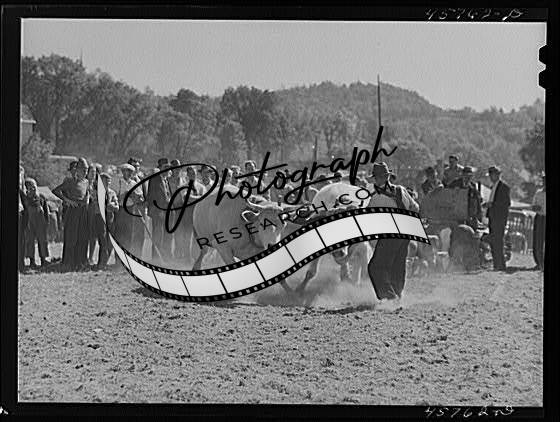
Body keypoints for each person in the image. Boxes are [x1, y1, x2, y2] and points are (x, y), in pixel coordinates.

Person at [367, 162, 419, 302]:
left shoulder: (376, 197)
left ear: (378, 178)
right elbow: (415, 208)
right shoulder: (401, 190)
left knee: (375, 267)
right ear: (388, 176)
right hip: (405, 234)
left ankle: (389, 297)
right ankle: (398, 295)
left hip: (390, 235)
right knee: (398, 265)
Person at [53, 157, 90, 271]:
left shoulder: (86, 182)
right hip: (73, 211)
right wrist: (68, 201)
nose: (85, 172)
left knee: (82, 237)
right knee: (71, 237)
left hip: (83, 211)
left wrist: (87, 199)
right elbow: (56, 191)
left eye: (86, 170)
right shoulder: (70, 181)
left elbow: (87, 192)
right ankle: (68, 263)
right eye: (83, 169)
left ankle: (80, 262)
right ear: (77, 170)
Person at [114, 163, 145, 256]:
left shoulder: (134, 184)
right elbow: (114, 197)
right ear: (123, 172)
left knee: (129, 234)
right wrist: (125, 194)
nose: (128, 174)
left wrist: (135, 196)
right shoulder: (118, 182)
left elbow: (141, 198)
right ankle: (118, 258)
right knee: (119, 234)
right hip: (120, 210)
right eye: (126, 171)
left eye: (130, 172)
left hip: (131, 210)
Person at [485, 165, 511, 271]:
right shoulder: (494, 186)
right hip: (493, 217)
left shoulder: (504, 187)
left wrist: (492, 204)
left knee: (498, 241)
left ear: (497, 175)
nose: (490, 177)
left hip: (499, 218)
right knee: (494, 241)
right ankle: (496, 264)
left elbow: (506, 203)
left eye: (492, 174)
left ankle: (500, 264)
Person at [147, 162, 172, 263]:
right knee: (158, 236)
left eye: (168, 167)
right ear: (160, 168)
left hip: (167, 212)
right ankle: (156, 259)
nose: (167, 169)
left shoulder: (166, 179)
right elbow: (151, 197)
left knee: (166, 236)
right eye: (165, 167)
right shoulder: (154, 180)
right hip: (158, 212)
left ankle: (164, 258)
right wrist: (159, 210)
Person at [22, 178, 50, 268]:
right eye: (30, 187)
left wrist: (47, 221)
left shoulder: (41, 197)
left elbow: (46, 210)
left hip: (41, 221)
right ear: (26, 189)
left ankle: (43, 260)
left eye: (34, 187)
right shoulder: (25, 198)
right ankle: (32, 261)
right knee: (30, 241)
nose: (33, 189)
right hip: (29, 222)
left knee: (42, 240)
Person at [447, 166, 483, 230]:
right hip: (456, 213)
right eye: (466, 175)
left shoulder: (472, 186)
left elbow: (477, 200)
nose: (468, 178)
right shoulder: (455, 183)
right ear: (462, 175)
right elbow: (447, 194)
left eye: (470, 176)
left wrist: (478, 214)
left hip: (468, 214)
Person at [532, 172, 546, 270]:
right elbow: (533, 206)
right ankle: (539, 262)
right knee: (538, 241)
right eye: (544, 180)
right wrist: (535, 208)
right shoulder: (538, 193)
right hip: (540, 217)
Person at [19, 165, 27, 272]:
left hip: (21, 210)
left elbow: (23, 191)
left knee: (21, 239)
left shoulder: (21, 170)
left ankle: (20, 263)